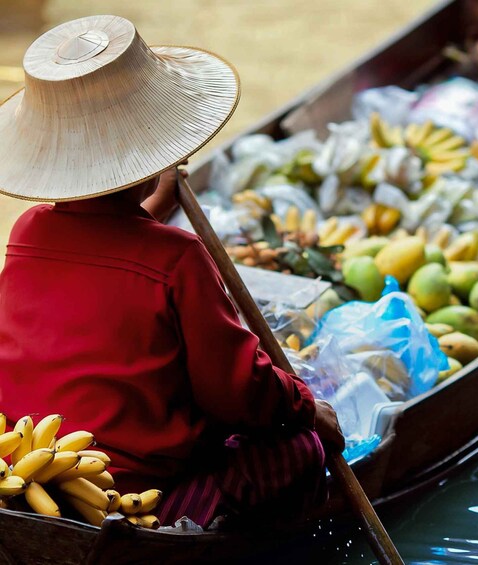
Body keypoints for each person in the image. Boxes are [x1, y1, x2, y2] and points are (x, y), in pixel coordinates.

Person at [0, 15, 343, 528]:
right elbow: (236, 394)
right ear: (151, 157)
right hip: (131, 490)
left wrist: (151, 209)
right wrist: (306, 408)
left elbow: (107, 254)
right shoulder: (177, 258)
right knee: (297, 450)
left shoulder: (29, 232)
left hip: (30, 471)